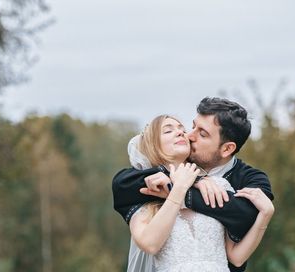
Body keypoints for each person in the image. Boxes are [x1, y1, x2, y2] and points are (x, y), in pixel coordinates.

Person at [113, 97, 275, 272]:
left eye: (202, 134)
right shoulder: (168, 167)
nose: (188, 135)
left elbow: (242, 215)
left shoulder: (247, 180)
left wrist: (180, 192)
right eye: (193, 126)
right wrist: (191, 182)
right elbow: (123, 184)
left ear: (227, 148)